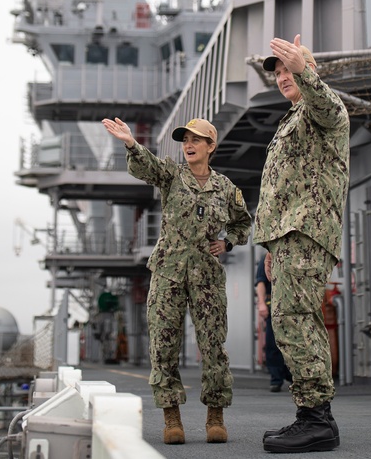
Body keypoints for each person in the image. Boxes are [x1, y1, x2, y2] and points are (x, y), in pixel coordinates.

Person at [101, 116, 252, 445]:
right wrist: (130, 142)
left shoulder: (225, 188)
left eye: (197, 140)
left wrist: (227, 242)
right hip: (168, 271)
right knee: (163, 347)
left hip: (206, 276)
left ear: (211, 146)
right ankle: (172, 418)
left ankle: (215, 415)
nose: (189, 145)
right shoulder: (171, 174)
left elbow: (243, 222)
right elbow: (147, 167)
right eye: (185, 140)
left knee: (213, 347)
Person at [253, 35, 349, 453]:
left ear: (308, 72)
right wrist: (271, 247)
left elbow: (326, 106)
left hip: (308, 232)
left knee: (296, 318)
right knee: (289, 320)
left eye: (287, 69)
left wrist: (305, 72)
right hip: (289, 236)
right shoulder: (291, 120)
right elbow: (280, 190)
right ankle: (311, 415)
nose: (281, 77)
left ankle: (316, 419)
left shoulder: (323, 111)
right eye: (276, 73)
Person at [255, 254, 293, 392]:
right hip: (275, 304)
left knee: (292, 344)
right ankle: (276, 379)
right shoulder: (267, 256)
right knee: (273, 343)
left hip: (292, 304)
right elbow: (260, 282)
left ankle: (292, 376)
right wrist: (261, 304)